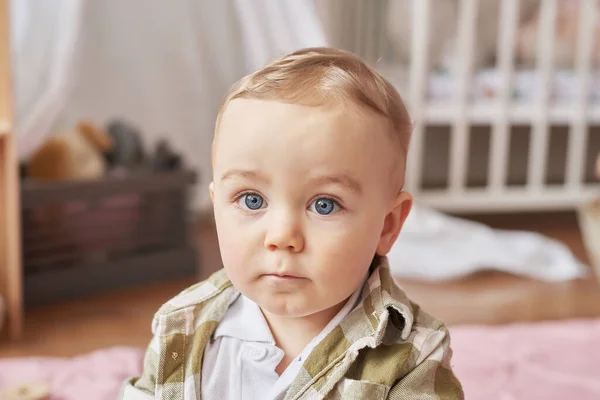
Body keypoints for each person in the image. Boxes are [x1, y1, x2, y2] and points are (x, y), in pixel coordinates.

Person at [120, 47, 464, 399]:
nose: (282, 237)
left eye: (325, 205)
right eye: (252, 200)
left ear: (387, 225)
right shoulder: (183, 326)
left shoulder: (412, 358)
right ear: (216, 207)